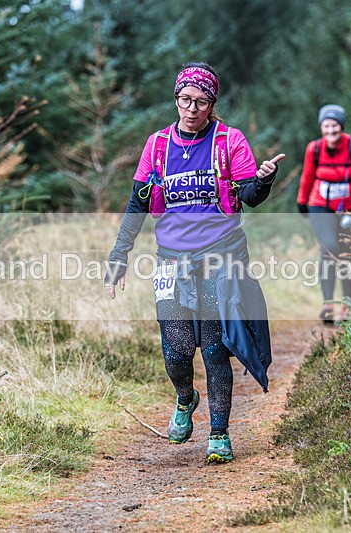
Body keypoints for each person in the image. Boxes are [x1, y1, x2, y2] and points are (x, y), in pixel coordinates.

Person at [104, 62, 284, 463]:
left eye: (200, 102)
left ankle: (219, 434)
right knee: (177, 349)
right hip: (170, 259)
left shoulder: (228, 140)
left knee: (215, 349)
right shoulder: (158, 145)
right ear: (176, 98)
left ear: (211, 104)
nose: (191, 108)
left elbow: (249, 194)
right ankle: (185, 398)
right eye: (184, 99)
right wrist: (120, 255)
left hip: (219, 256)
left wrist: (265, 178)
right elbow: (137, 203)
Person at [296, 104, 351, 323]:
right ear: (321, 127)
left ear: (341, 126)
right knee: (329, 248)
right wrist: (302, 201)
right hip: (321, 205)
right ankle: (328, 304)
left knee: (347, 254)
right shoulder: (315, 148)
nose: (331, 131)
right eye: (326, 126)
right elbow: (307, 176)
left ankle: (348, 305)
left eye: (335, 126)